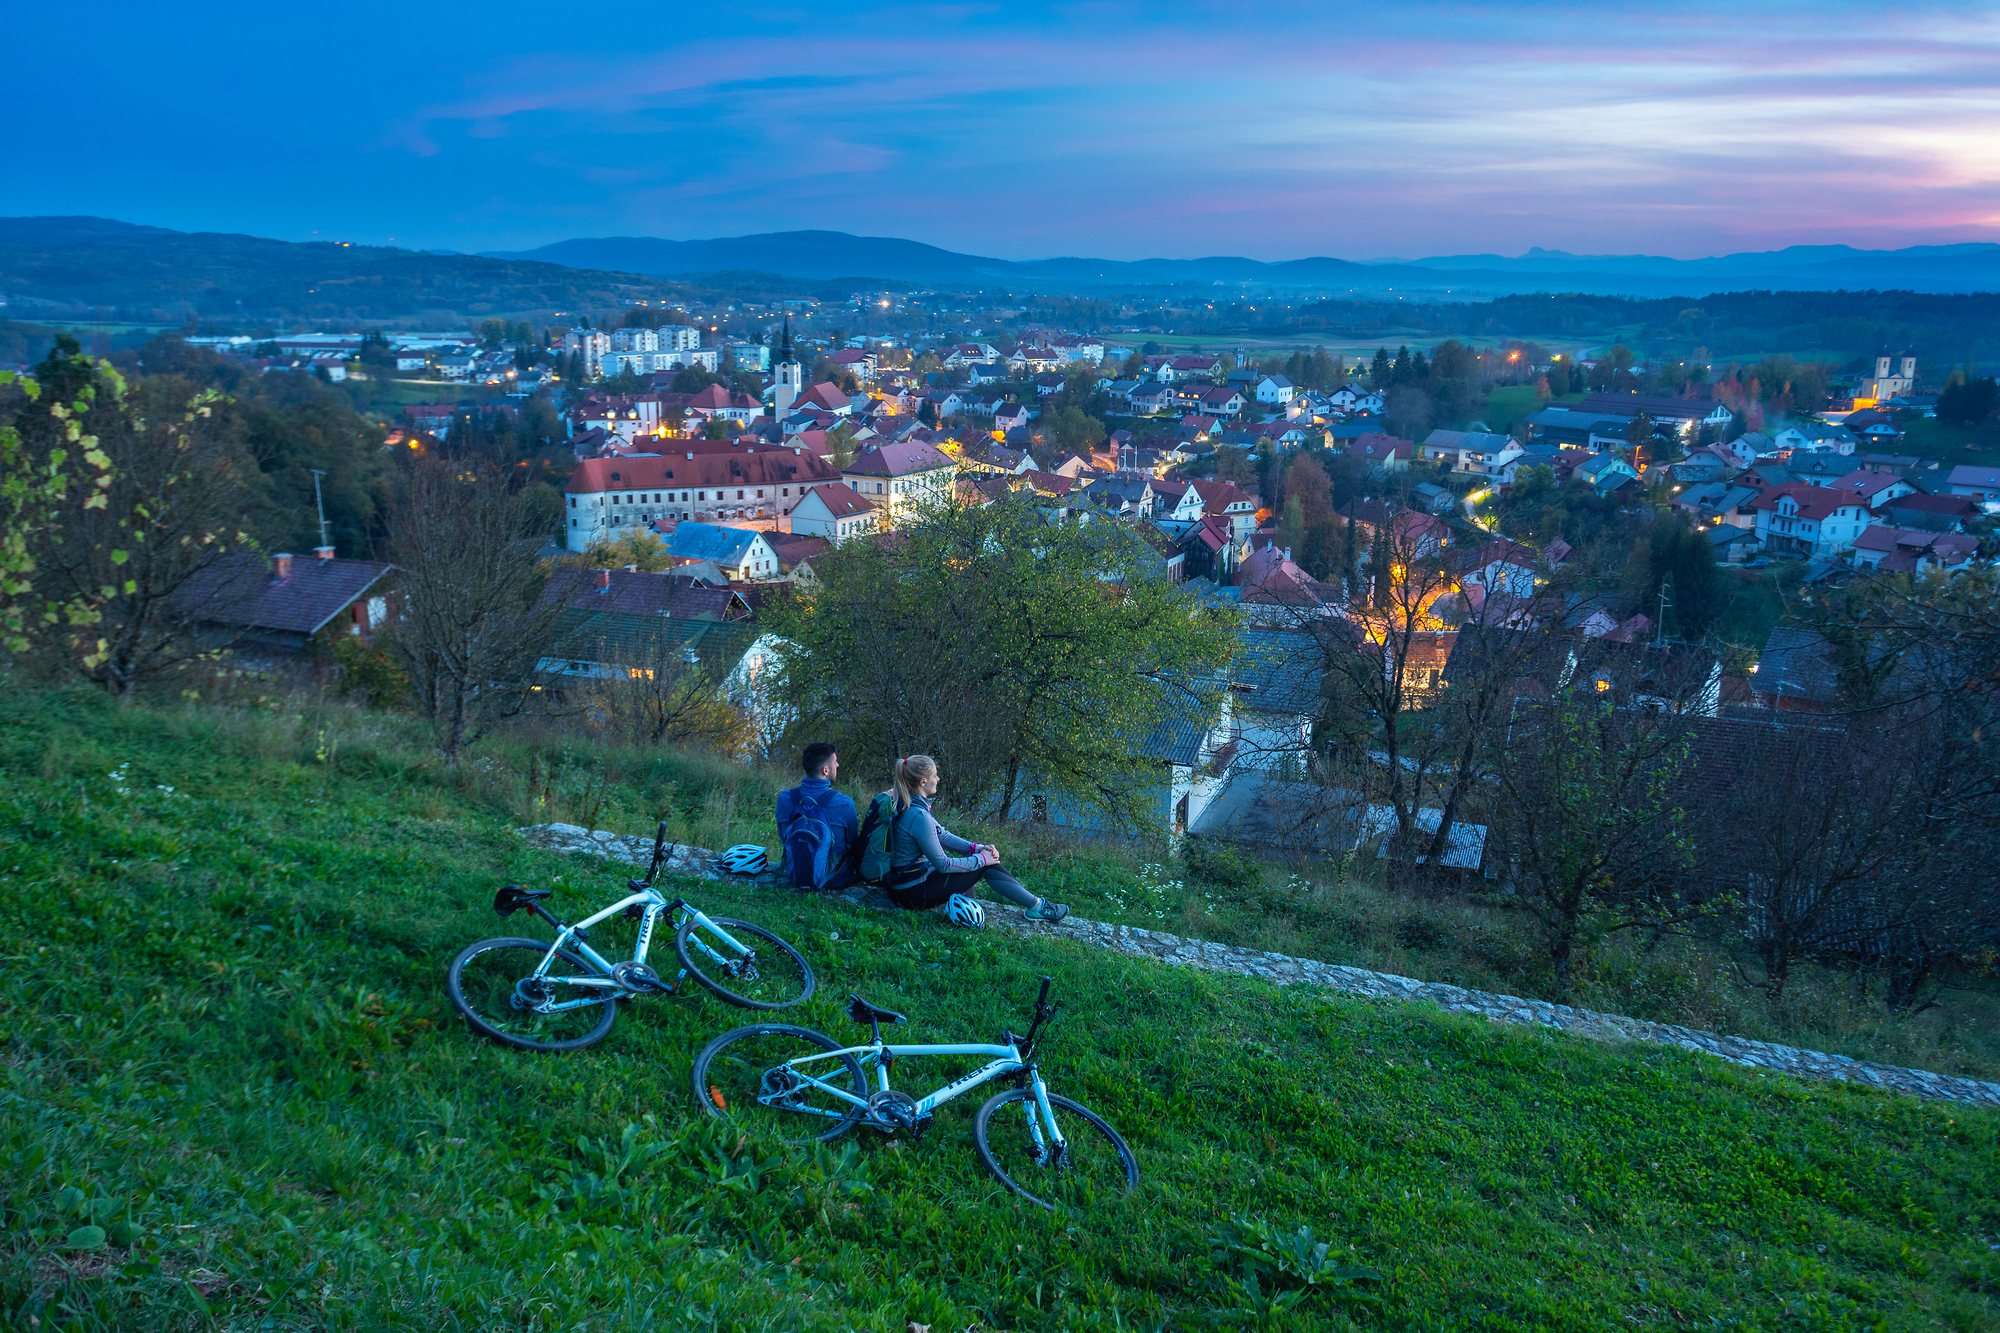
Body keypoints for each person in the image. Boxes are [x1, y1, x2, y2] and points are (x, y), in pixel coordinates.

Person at [883, 754, 1068, 923]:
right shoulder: (918, 815)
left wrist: (977, 848)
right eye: (934, 776)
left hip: (907, 883)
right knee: (986, 865)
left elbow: (942, 835)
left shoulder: (910, 804)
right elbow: (944, 865)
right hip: (911, 892)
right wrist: (981, 860)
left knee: (980, 862)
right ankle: (1037, 907)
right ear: (923, 781)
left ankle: (970, 913)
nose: (938, 779)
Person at [776, 742, 859, 890]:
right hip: (834, 879)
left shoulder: (785, 798)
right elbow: (852, 844)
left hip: (795, 873)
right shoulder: (844, 803)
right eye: (835, 762)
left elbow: (784, 837)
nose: (838, 765)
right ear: (825, 770)